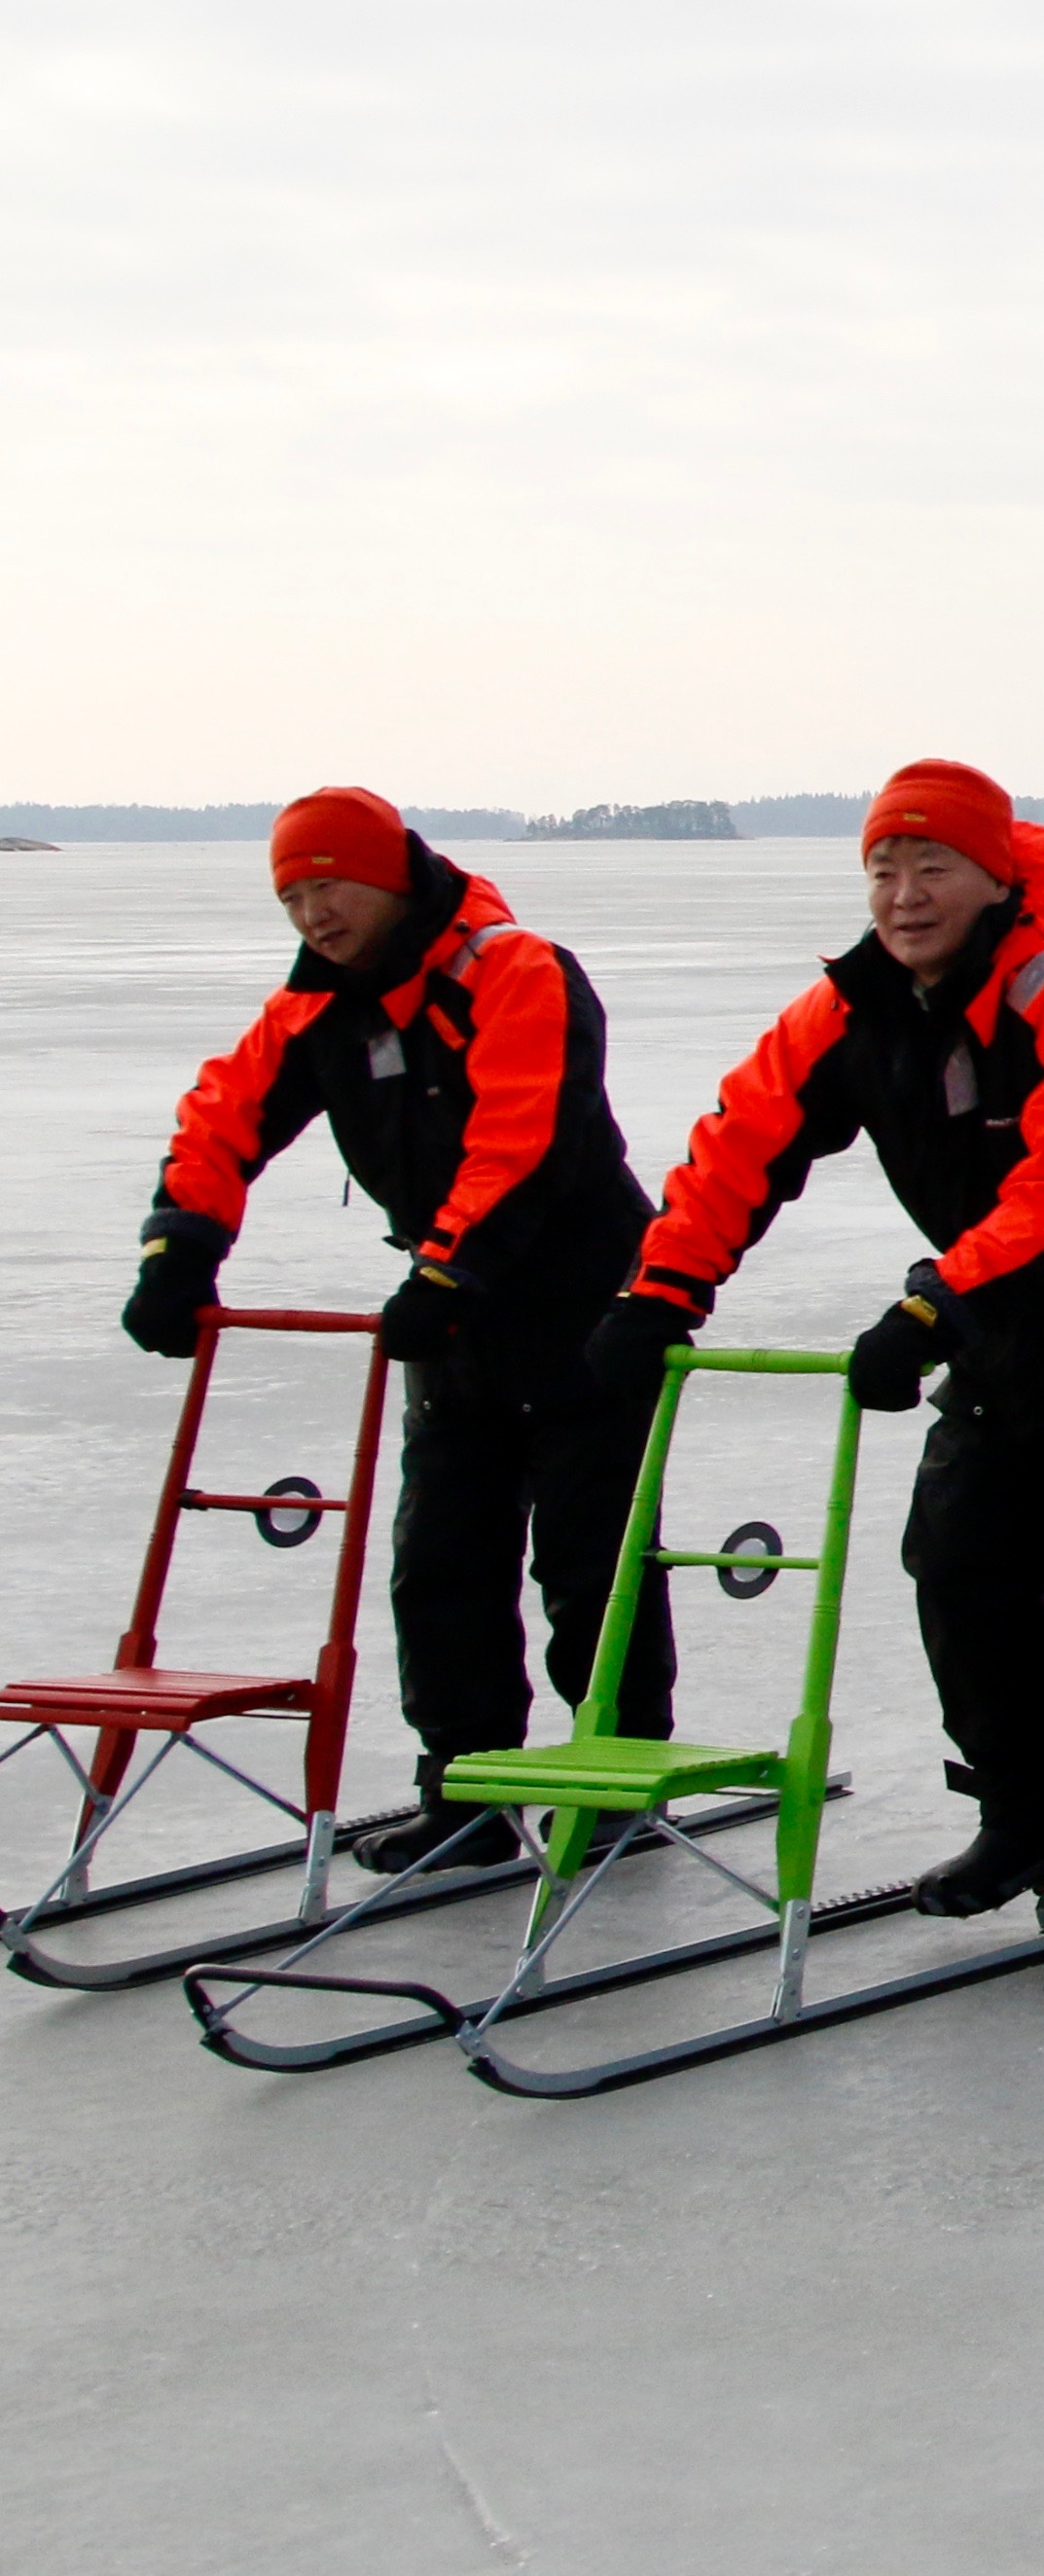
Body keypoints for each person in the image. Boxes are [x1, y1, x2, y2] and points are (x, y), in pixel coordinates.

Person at [592, 761, 1044, 1937]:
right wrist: (659, 1294)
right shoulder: (851, 1009)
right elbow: (744, 1139)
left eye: (931, 866)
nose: (903, 894)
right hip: (997, 1335)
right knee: (960, 1571)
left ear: (995, 875)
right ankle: (1024, 1814)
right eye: (883, 869)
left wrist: (932, 1308)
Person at [124, 788, 668, 1873]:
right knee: (441, 1560)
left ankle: (614, 1773)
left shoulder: (516, 971)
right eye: (292, 894)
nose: (313, 913)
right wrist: (178, 1248)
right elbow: (224, 1115)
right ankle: (463, 1790)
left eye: (330, 884)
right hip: (451, 1317)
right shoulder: (321, 1007)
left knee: (588, 1552)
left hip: (581, 1305)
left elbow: (526, 1138)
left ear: (389, 878)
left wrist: (450, 1265)